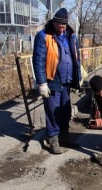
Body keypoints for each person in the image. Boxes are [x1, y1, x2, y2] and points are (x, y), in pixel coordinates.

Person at [32, 8, 81, 154]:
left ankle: (64, 136)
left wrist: (79, 74)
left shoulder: (71, 36)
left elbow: (75, 57)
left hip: (67, 80)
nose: (62, 28)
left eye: (64, 26)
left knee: (65, 110)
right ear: (54, 22)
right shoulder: (43, 36)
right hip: (52, 80)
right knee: (53, 111)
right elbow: (38, 61)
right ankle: (53, 140)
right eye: (59, 25)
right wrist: (42, 83)